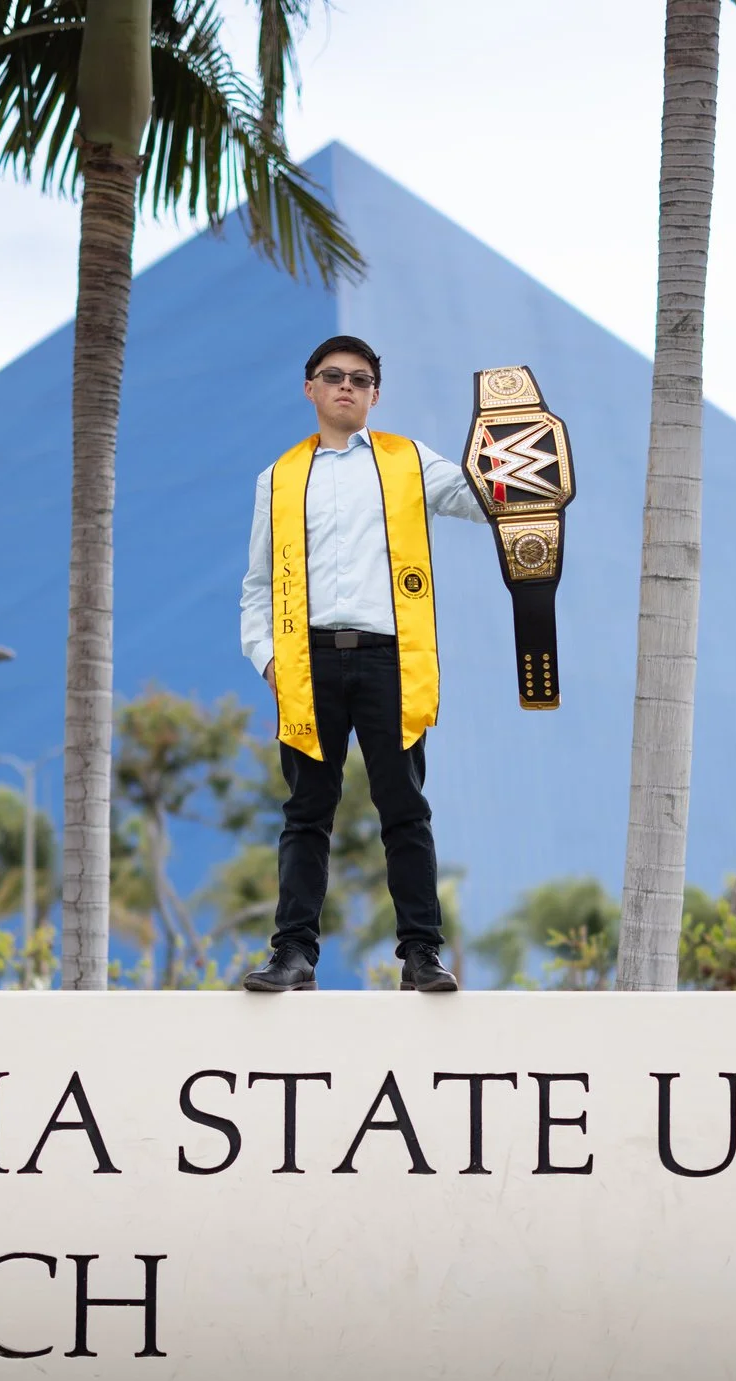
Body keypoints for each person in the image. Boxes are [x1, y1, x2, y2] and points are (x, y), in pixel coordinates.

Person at [237, 335, 488, 993]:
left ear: (375, 393)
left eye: (360, 378)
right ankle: (292, 955)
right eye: (332, 375)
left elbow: (477, 497)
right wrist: (267, 660)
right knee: (306, 812)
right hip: (307, 660)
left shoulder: (408, 461)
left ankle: (422, 955)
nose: (346, 385)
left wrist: (514, 459)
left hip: (389, 659)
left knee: (403, 808)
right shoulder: (279, 477)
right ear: (311, 388)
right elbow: (258, 585)